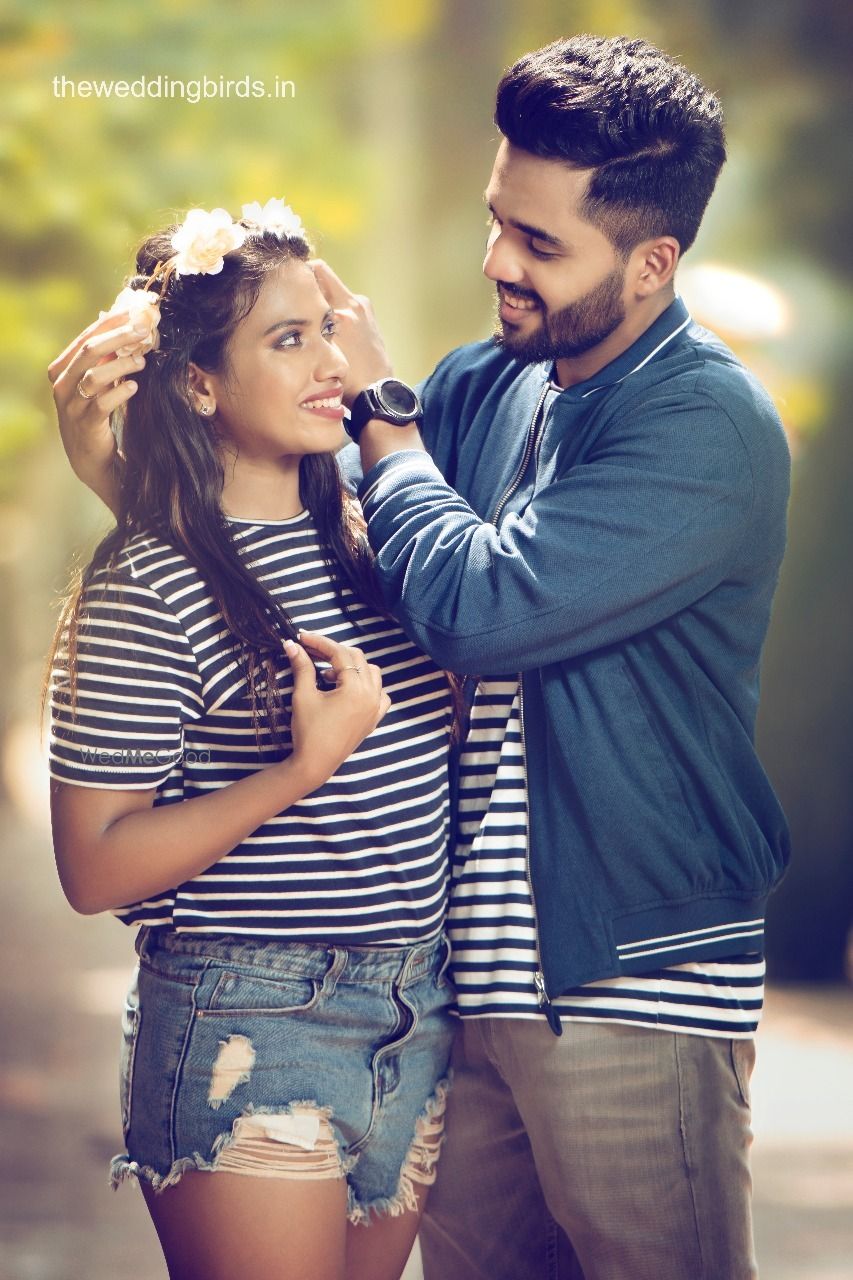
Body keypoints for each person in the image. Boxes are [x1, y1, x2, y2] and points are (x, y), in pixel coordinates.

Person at [52, 33, 791, 1280]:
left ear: (653, 261)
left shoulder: (702, 425)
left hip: (625, 987)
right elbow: (268, 502)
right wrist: (122, 477)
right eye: (499, 218)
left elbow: (473, 603)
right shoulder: (489, 385)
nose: (497, 262)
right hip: (450, 997)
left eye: (541, 244)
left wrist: (389, 415)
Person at [46, 201, 456, 1280]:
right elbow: (92, 864)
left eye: (328, 327)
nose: (332, 361)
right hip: (251, 1020)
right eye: (288, 338)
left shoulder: (380, 532)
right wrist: (300, 769)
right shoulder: (148, 576)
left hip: (416, 1009)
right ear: (197, 382)